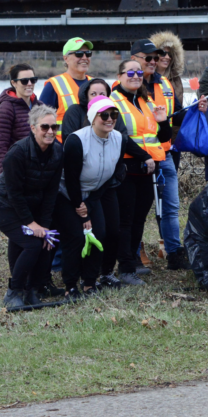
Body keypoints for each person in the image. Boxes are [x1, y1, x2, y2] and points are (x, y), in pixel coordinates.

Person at [55, 96, 153, 299]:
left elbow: (112, 173)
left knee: (101, 235)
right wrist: (79, 207)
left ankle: (90, 283)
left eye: (114, 115)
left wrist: (90, 203)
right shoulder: (77, 140)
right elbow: (71, 179)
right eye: (105, 115)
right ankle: (70, 286)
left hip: (96, 192)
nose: (110, 119)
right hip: (68, 193)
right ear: (92, 118)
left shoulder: (119, 139)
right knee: (75, 237)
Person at [0, 104, 63, 310]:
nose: (50, 131)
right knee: (32, 244)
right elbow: (14, 194)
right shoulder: (17, 153)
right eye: (44, 127)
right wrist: (31, 223)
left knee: (46, 241)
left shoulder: (57, 151)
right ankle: (14, 291)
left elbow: (51, 192)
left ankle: (31, 290)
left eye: (54, 127)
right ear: (33, 128)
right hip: (6, 206)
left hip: (33, 205)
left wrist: (44, 226)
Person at [133, 38, 192, 271]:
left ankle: (174, 254)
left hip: (164, 155)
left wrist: (197, 110)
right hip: (136, 159)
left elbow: (174, 116)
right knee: (136, 209)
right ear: (135, 59)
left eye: (156, 58)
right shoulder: (127, 85)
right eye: (148, 58)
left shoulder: (165, 84)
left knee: (170, 207)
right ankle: (133, 253)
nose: (153, 61)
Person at [109, 59, 169, 287]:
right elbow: (120, 137)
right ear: (120, 75)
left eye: (138, 72)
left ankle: (131, 262)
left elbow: (161, 138)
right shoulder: (113, 100)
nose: (135, 75)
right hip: (126, 167)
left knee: (139, 219)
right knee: (125, 220)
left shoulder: (145, 100)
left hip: (149, 168)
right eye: (130, 72)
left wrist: (163, 122)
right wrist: (143, 156)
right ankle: (124, 268)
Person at [39, 37, 94, 143]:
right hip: (63, 150)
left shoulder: (96, 84)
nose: (84, 57)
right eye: (78, 54)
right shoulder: (54, 85)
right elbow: (41, 122)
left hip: (93, 150)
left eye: (88, 53)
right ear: (66, 58)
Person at [0, 63, 37, 174]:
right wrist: (4, 177)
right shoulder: (6, 109)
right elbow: (0, 147)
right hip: (16, 169)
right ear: (14, 83)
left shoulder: (40, 106)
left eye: (33, 80)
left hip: (37, 171)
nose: (30, 84)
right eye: (24, 81)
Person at [60, 78, 128, 139]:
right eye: (93, 94)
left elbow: (123, 137)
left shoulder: (113, 112)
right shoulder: (75, 111)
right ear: (86, 96)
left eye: (102, 94)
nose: (98, 97)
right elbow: (68, 138)